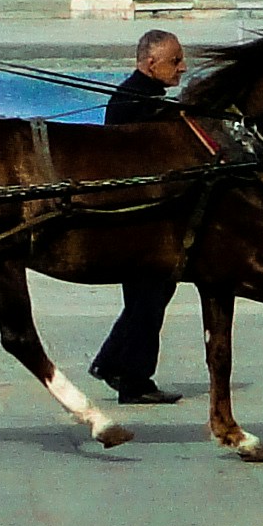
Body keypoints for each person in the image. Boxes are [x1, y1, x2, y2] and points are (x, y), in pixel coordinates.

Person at [88, 28, 189, 407]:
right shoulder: (133, 103)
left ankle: (124, 370)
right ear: (151, 63)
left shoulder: (147, 98)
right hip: (134, 219)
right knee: (148, 295)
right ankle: (123, 372)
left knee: (151, 296)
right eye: (175, 60)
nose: (182, 67)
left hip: (147, 217)